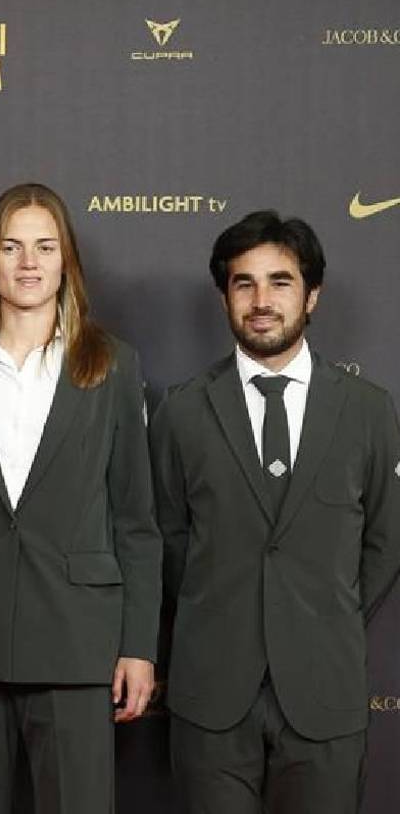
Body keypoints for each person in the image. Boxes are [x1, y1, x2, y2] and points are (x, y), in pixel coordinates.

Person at [0, 182, 161, 814]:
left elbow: (136, 520)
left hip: (79, 642)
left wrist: (137, 644)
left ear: (66, 261)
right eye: (12, 246)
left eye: (45, 247)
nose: (28, 263)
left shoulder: (112, 364)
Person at [152, 210, 400, 814]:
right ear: (224, 297)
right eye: (245, 283)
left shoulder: (369, 411)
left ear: (312, 295)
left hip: (325, 693)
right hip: (211, 695)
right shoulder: (181, 412)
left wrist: (318, 610)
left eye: (281, 282)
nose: (262, 300)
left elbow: (385, 541)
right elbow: (166, 538)